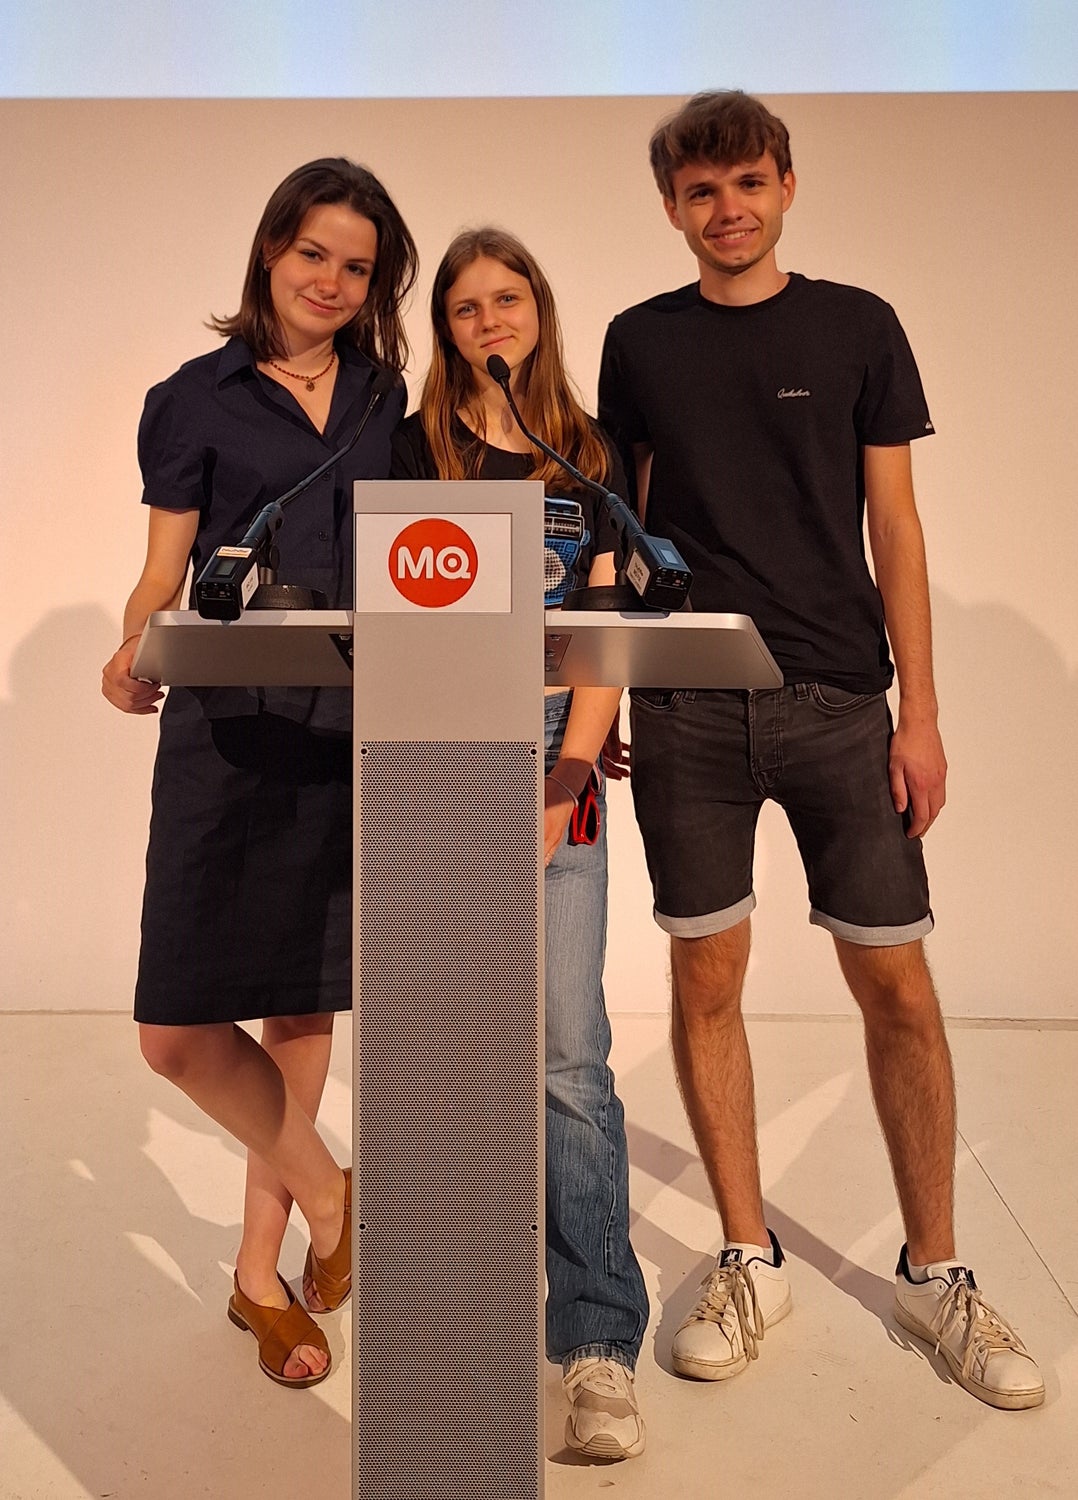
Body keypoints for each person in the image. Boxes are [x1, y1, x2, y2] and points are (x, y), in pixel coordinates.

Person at [598, 91, 1044, 1411]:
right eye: (700, 191)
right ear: (670, 207)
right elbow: (624, 532)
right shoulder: (638, 341)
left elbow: (893, 526)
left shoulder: (858, 326)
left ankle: (934, 1273)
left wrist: (922, 712)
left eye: (747, 182)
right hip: (687, 709)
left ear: (786, 184)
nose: (726, 209)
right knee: (706, 981)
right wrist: (605, 698)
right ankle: (749, 1255)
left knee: (896, 985)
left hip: (842, 703)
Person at [101, 158, 418, 1388]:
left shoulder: (388, 398)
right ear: (271, 251)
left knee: (299, 1007)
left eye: (357, 267)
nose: (330, 283)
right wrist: (130, 646)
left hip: (347, 732)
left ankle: (258, 1277)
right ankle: (334, 1197)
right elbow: (162, 571)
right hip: (224, 734)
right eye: (313, 255)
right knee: (176, 1030)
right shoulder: (192, 399)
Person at [392, 227, 650, 1459]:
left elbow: (604, 633)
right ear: (444, 329)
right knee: (443, 1050)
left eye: (507, 299)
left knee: (563, 1055)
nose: (489, 320)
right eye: (465, 306)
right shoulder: (415, 448)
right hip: (434, 761)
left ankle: (596, 1345)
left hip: (556, 759)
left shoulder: (587, 453)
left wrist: (565, 776)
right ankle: (452, 1322)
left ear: (537, 311)